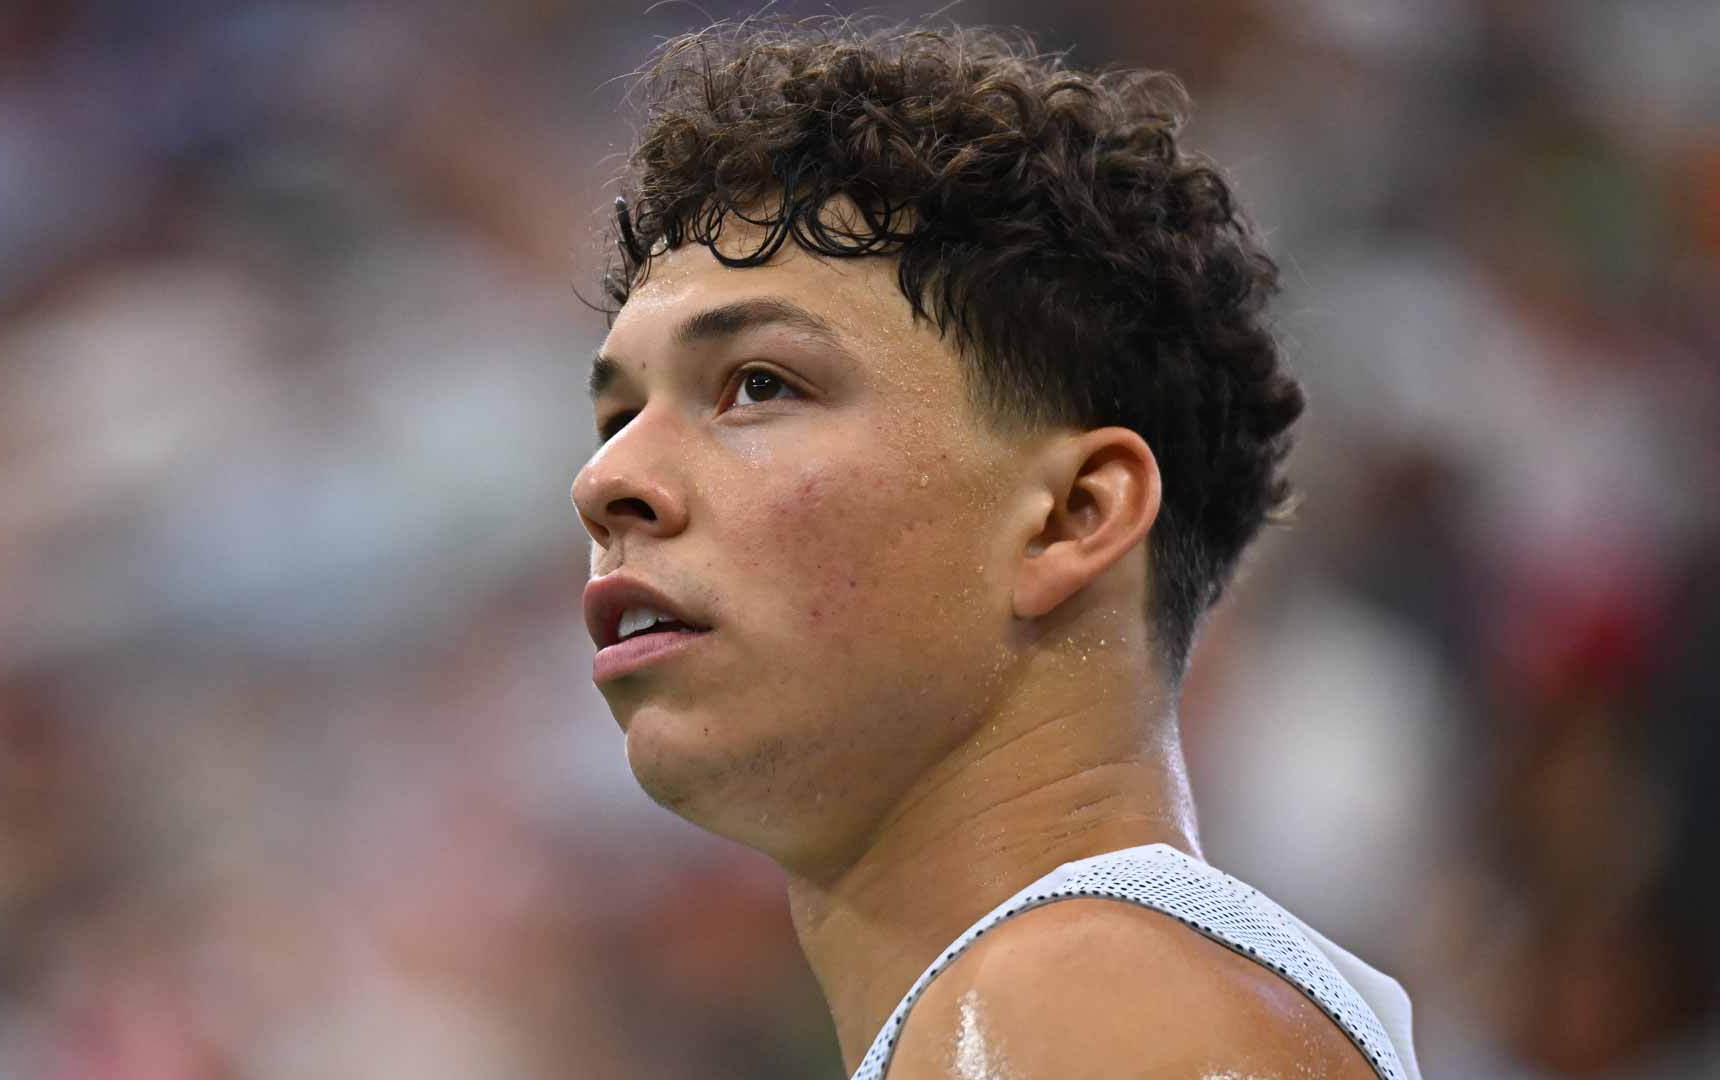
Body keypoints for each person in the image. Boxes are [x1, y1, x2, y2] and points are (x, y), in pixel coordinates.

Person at [571, 19, 1421, 1080]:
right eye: (618, 417)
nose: (604, 481)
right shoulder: (1119, 994)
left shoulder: (1077, 1008)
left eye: (759, 384)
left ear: (1073, 515)